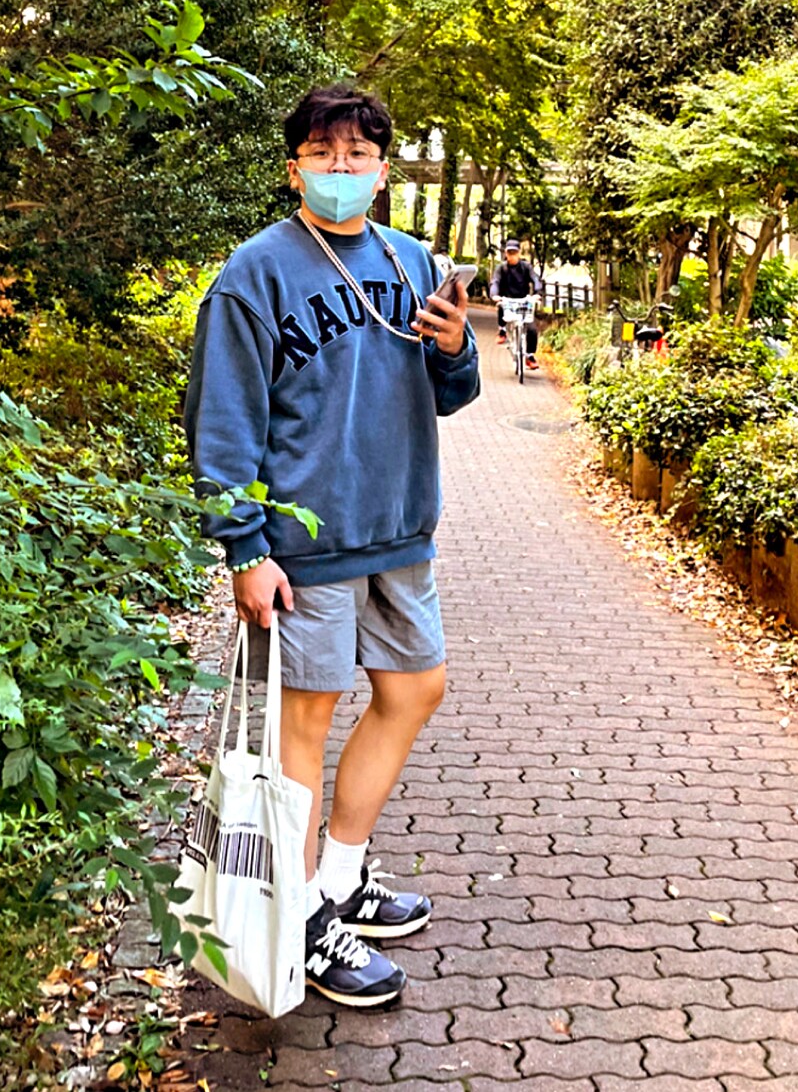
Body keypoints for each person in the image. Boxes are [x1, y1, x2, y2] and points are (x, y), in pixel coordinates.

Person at [184, 84, 480, 1009]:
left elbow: (451, 394)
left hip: (400, 527)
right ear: (294, 169)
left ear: (383, 172)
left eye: (358, 155)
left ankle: (340, 877)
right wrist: (244, 550)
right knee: (304, 725)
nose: (341, 168)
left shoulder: (410, 259)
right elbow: (222, 422)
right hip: (303, 546)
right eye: (323, 153)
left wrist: (457, 348)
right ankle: (303, 921)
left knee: (415, 688)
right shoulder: (255, 274)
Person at [490, 239, 541, 370]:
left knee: (532, 329)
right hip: (507, 300)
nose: (512, 255)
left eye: (514, 252)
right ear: (506, 254)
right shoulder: (501, 268)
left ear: (519, 253)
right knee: (501, 304)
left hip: (523, 301)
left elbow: (535, 279)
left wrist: (537, 293)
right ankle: (502, 330)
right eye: (509, 253)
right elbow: (495, 282)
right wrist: (494, 295)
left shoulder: (526, 267)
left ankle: (529, 356)